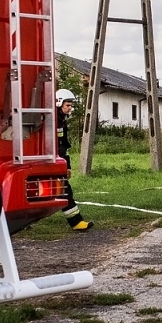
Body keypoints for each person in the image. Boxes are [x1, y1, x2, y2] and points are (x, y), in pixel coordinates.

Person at [55, 88, 93, 231]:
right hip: (53, 161)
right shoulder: (53, 121)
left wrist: (68, 165)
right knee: (64, 190)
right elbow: (57, 145)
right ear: (59, 103)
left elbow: (64, 146)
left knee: (63, 190)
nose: (70, 108)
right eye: (68, 105)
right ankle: (76, 223)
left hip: (59, 160)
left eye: (71, 105)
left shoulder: (61, 120)